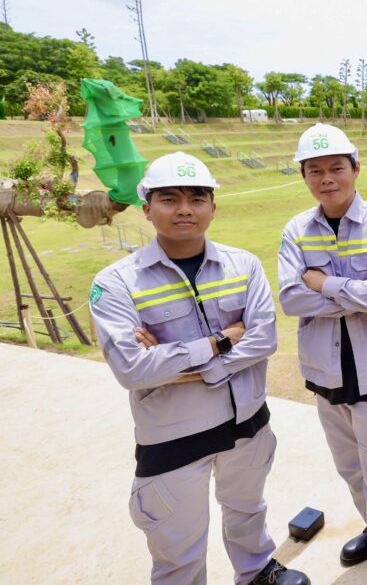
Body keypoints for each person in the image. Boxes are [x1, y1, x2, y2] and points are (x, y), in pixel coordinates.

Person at [89, 151, 308, 585]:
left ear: (213, 206)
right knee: (178, 549)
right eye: (169, 199)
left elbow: (264, 339)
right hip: (173, 438)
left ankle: (256, 570)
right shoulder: (116, 282)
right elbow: (132, 370)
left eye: (196, 198)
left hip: (247, 422)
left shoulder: (243, 265)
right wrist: (221, 341)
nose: (185, 209)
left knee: (247, 509)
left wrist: (178, 361)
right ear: (146, 208)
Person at [278, 123, 367, 585]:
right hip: (327, 377)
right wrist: (360, 289)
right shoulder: (297, 230)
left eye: (336, 167)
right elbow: (290, 299)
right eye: (314, 170)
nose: (327, 178)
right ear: (303, 176)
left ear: (356, 168)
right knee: (354, 472)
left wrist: (323, 283)